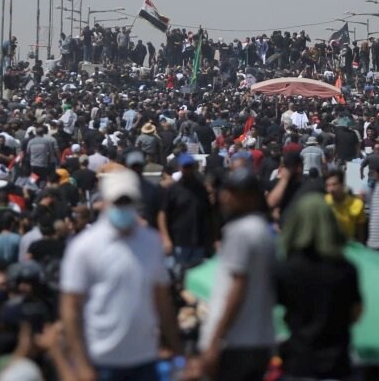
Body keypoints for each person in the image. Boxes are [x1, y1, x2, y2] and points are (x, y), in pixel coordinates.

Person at [61, 169, 183, 381]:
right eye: (119, 202)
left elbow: (162, 301)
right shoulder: (84, 247)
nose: (124, 208)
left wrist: (177, 351)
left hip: (145, 359)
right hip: (101, 360)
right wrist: (81, 364)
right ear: (106, 202)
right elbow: (70, 308)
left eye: (129, 202)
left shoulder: (152, 242)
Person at [191, 169, 275, 381]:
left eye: (234, 193)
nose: (225, 197)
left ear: (251, 198)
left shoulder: (240, 231)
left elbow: (237, 288)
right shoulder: (264, 232)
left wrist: (215, 340)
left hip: (235, 342)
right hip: (260, 340)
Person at [274, 194, 362, 381]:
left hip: (298, 364)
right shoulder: (345, 269)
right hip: (337, 365)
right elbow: (356, 313)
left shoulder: (286, 269)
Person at [158, 153, 213, 274]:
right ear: (180, 168)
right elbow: (163, 214)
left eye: (190, 166)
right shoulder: (173, 190)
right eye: (185, 167)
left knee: (196, 277)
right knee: (177, 275)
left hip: (199, 241)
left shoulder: (201, 189)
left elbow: (208, 213)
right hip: (179, 242)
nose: (187, 170)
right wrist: (166, 239)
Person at [324, 171, 365, 242]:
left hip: (349, 245)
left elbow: (360, 231)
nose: (331, 189)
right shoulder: (324, 202)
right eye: (328, 185)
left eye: (334, 184)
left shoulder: (357, 204)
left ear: (342, 185)